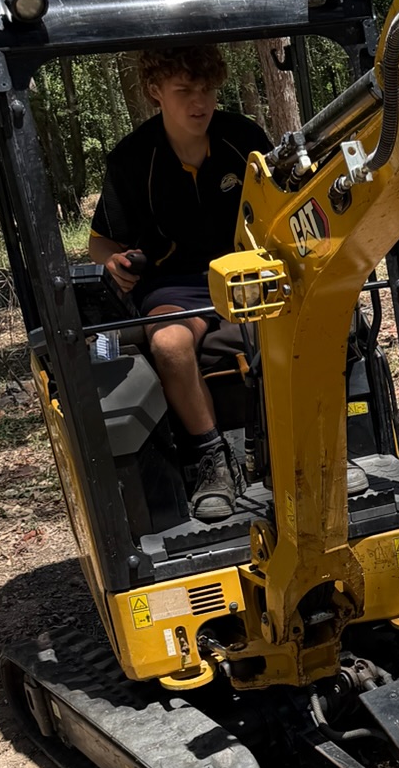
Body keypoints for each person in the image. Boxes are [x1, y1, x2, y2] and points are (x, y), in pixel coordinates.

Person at [88, 45, 269, 523]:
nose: (199, 102)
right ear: (155, 92)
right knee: (168, 344)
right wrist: (115, 263)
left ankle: (288, 447)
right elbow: (100, 243)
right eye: (183, 90)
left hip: (248, 271)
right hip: (174, 287)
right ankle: (212, 461)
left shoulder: (244, 139)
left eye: (206, 89)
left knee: (306, 323)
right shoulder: (131, 160)